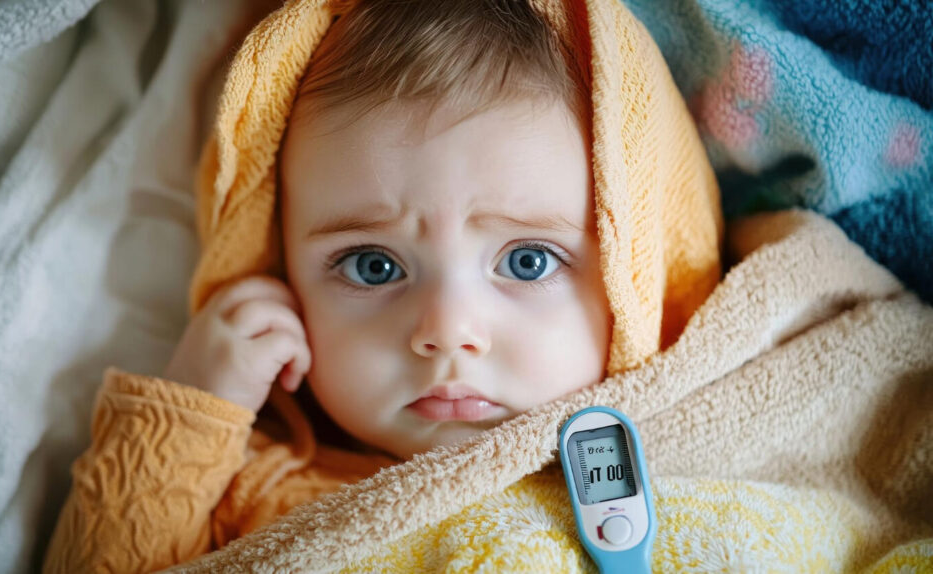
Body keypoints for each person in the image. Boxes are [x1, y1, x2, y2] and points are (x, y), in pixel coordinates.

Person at [44, 0, 722, 571]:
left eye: (528, 261)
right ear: (279, 269)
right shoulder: (254, 489)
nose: (447, 330)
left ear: (640, 269)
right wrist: (189, 412)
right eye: (374, 265)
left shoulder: (700, 466)